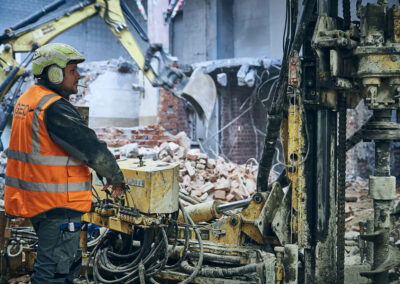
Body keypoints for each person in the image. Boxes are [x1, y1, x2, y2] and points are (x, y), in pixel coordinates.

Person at [4, 43, 125, 283]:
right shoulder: (53, 107)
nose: (78, 76)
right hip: (57, 204)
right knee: (55, 273)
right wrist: (115, 176)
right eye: (72, 71)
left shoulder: (28, 99)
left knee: (62, 266)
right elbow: (91, 148)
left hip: (39, 200)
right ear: (54, 73)